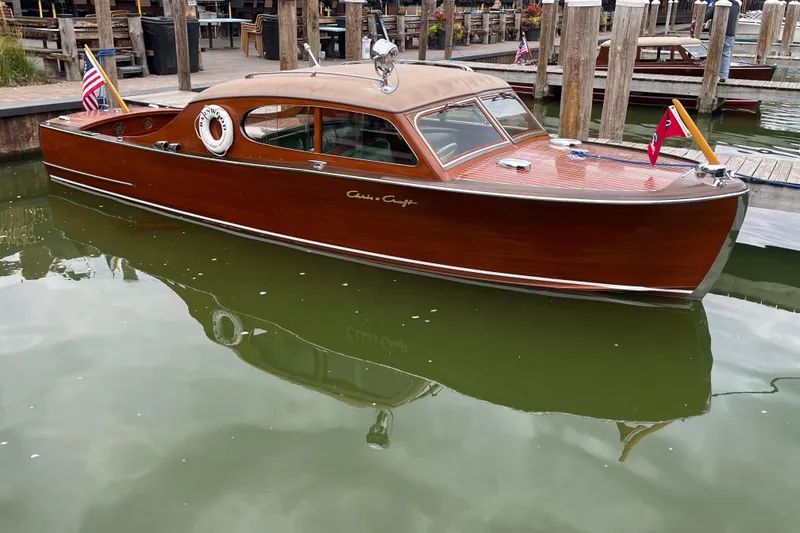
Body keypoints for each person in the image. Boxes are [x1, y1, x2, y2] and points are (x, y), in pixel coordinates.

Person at [705, 0, 741, 82]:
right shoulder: (736, 4)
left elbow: (707, 15)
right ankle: (723, 76)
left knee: (713, 54)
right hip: (730, 33)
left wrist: (711, 6)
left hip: (717, 33)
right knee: (726, 54)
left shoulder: (719, 3)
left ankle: (710, 75)